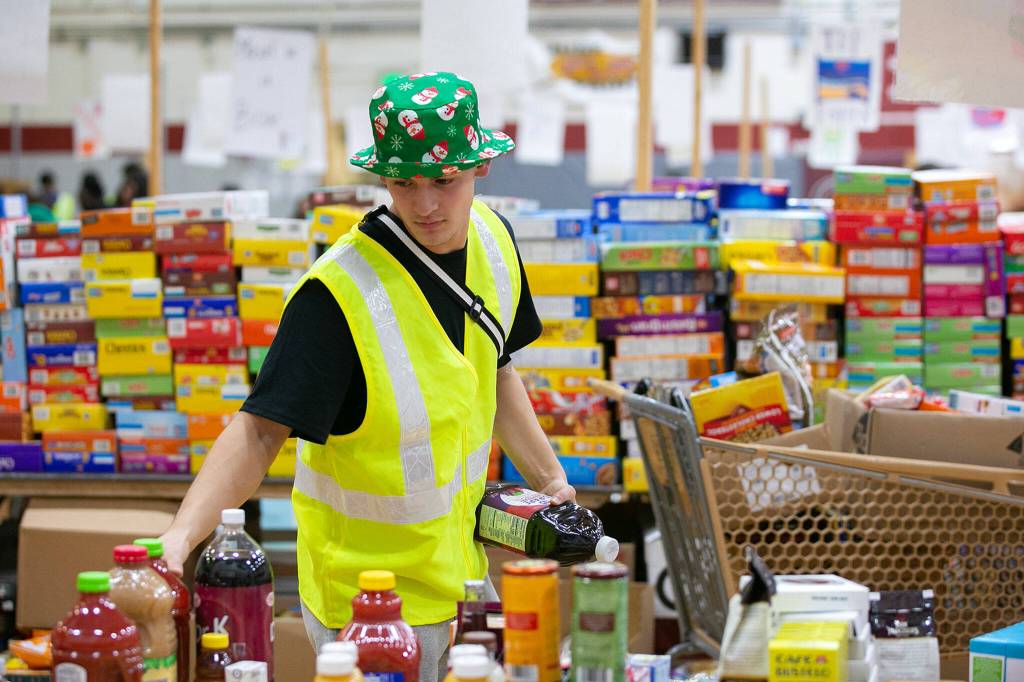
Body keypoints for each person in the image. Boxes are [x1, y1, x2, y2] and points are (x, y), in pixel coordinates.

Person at [159, 72, 575, 682]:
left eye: (444, 180)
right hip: (368, 605)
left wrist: (551, 482)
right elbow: (258, 432)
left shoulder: (494, 242)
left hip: (462, 579)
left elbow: (496, 372)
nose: (426, 203)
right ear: (382, 178)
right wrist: (180, 537)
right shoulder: (337, 295)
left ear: (480, 165)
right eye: (404, 183)